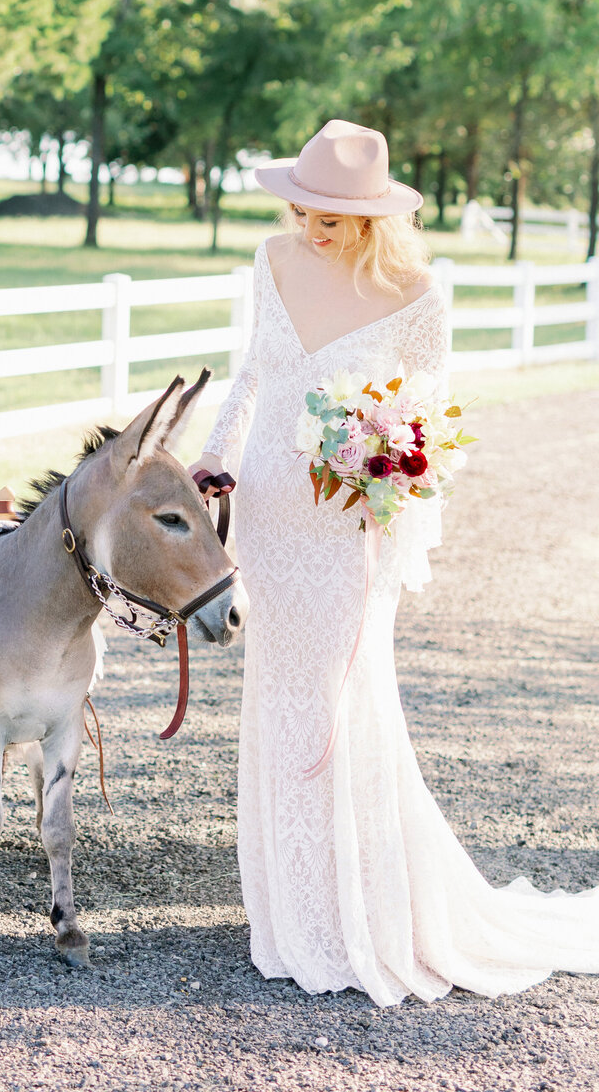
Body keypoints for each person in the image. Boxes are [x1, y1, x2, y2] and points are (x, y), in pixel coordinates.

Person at [190, 119, 599, 1005]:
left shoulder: (419, 298)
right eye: (302, 210)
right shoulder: (273, 258)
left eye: (330, 218)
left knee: (344, 695)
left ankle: (360, 908)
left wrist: (387, 466)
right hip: (266, 511)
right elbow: (253, 373)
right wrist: (215, 454)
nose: (310, 229)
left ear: (373, 218)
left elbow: (430, 434)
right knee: (280, 693)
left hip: (347, 531)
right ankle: (289, 903)